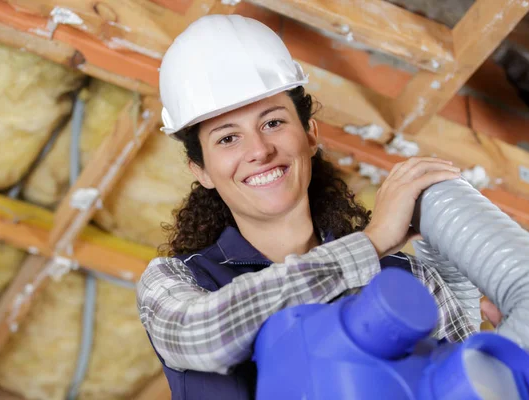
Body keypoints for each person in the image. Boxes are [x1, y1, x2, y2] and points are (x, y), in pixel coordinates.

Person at [137, 14, 496, 400]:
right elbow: (203, 336)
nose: (259, 150)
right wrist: (368, 246)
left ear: (309, 134)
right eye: (227, 139)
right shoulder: (175, 281)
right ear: (201, 170)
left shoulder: (410, 280)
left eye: (273, 123)